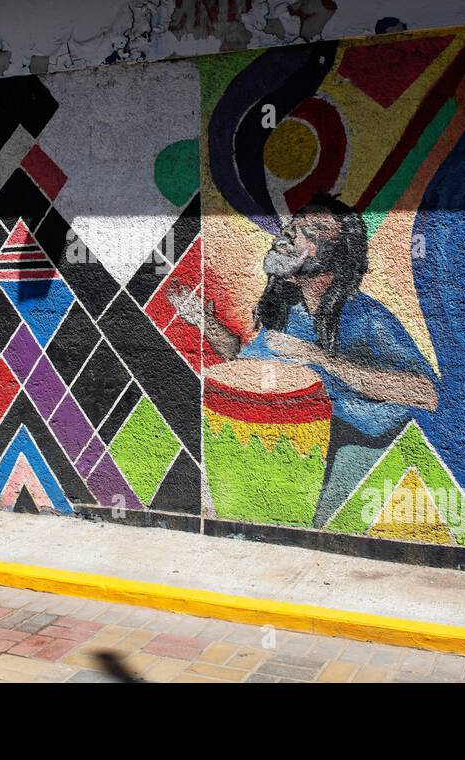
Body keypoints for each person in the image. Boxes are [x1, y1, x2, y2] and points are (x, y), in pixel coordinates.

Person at [172, 195, 437, 526]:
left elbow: (425, 393)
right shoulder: (291, 315)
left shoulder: (368, 319)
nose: (291, 233)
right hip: (288, 448)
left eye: (312, 229)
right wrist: (206, 324)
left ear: (339, 253)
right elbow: (248, 363)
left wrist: (320, 358)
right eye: (294, 225)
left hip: (351, 453)